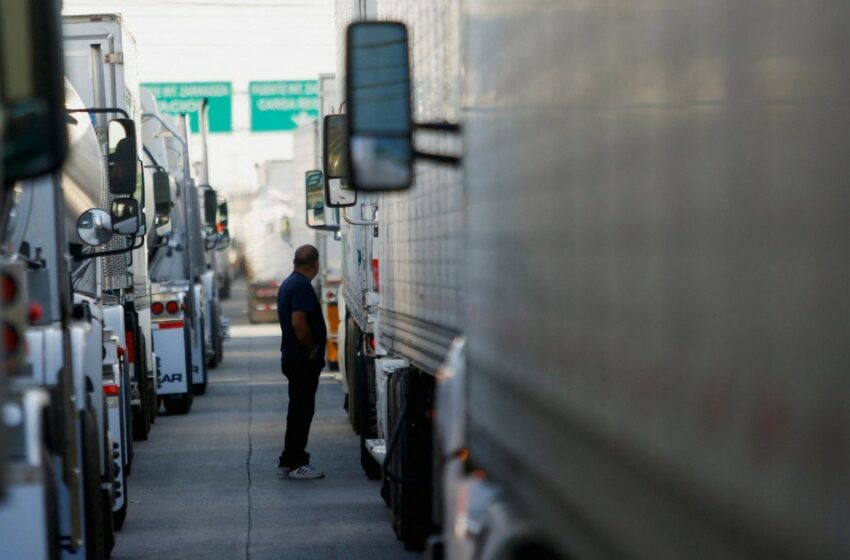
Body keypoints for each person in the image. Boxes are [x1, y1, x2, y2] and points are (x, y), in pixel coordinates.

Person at [276, 244, 327, 479]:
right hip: (301, 359)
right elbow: (299, 322)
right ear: (315, 265)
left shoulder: (289, 282)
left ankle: (288, 459)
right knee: (302, 411)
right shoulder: (301, 286)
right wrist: (314, 347)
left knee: (297, 409)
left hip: (293, 357)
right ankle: (297, 463)